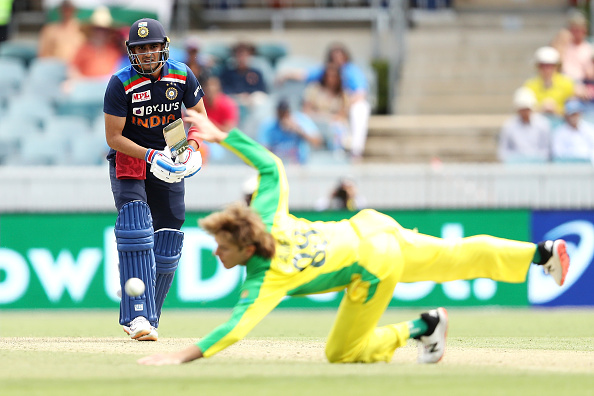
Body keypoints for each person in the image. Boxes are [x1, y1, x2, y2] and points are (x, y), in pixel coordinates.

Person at [137, 110, 571, 366]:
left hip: (372, 263)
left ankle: (424, 326)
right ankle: (541, 253)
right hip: (371, 226)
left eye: (223, 247)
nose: (216, 251)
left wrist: (178, 357)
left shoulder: (265, 278)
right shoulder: (264, 216)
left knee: (342, 353)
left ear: (247, 248)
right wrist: (221, 135)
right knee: (454, 256)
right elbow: (272, 167)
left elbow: (232, 331)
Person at [103, 18, 207, 342]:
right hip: (132, 160)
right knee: (135, 227)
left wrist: (192, 147)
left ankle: (149, 316)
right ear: (131, 52)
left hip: (170, 160)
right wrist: (149, 155)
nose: (147, 53)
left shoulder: (182, 74)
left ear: (164, 46)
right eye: (140, 48)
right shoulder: (120, 83)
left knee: (170, 235)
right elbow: (113, 137)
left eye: (151, 47)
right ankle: (135, 315)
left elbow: (200, 119)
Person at [302, 62, 350, 153]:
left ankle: (337, 154)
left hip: (333, 124)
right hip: (315, 122)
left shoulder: (343, 94)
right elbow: (306, 111)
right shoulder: (314, 89)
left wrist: (328, 119)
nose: (331, 78)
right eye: (329, 75)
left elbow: (342, 115)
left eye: (334, 76)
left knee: (338, 128)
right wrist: (322, 117)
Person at [257, 98, 322, 164]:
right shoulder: (269, 125)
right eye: (281, 113)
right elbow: (263, 149)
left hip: (299, 166)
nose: (283, 117)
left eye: (285, 113)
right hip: (278, 165)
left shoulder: (301, 120)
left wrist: (298, 130)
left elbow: (317, 142)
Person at [497, 87, 551, 163]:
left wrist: (535, 159)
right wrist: (515, 160)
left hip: (537, 166)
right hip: (515, 167)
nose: (525, 112)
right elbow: (503, 151)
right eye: (522, 109)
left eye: (527, 109)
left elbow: (546, 150)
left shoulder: (543, 124)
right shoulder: (509, 126)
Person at [69, 6, 121, 80]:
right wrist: (81, 81)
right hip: (87, 88)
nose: (100, 32)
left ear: (109, 32)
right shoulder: (83, 49)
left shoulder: (114, 50)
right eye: (97, 29)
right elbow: (72, 69)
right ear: (92, 30)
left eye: (104, 29)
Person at [551, 10, 594, 99]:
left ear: (584, 30)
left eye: (578, 30)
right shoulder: (564, 44)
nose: (576, 33)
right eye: (573, 30)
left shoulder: (589, 48)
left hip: (582, 83)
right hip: (563, 81)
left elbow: (590, 73)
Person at [523, 46, 575, 117]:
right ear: (538, 67)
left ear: (556, 66)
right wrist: (541, 109)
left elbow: (573, 111)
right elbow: (525, 111)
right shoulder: (529, 85)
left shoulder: (567, 83)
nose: (546, 69)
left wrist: (556, 110)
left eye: (549, 66)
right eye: (542, 65)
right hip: (538, 121)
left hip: (561, 122)